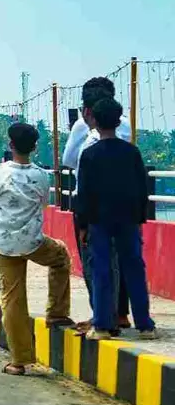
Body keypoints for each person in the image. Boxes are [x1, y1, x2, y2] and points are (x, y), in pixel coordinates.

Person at [0, 123, 75, 374]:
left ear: (10, 145)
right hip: (33, 242)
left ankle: (19, 360)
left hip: (3, 244)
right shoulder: (41, 175)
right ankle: (57, 312)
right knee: (61, 257)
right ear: (34, 147)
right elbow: (44, 204)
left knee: (12, 299)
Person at [73, 97, 156, 340]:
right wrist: (140, 218)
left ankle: (101, 325)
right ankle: (145, 324)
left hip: (99, 220)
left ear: (94, 121)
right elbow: (142, 188)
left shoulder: (89, 155)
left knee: (102, 269)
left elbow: (84, 193)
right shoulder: (131, 152)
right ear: (118, 121)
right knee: (134, 268)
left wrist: (84, 225)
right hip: (128, 219)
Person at [62, 76, 135, 330]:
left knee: (94, 262)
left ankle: (103, 317)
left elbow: (70, 160)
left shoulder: (84, 129)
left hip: (90, 205)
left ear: (87, 109)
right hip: (122, 204)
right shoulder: (124, 126)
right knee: (117, 260)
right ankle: (118, 314)